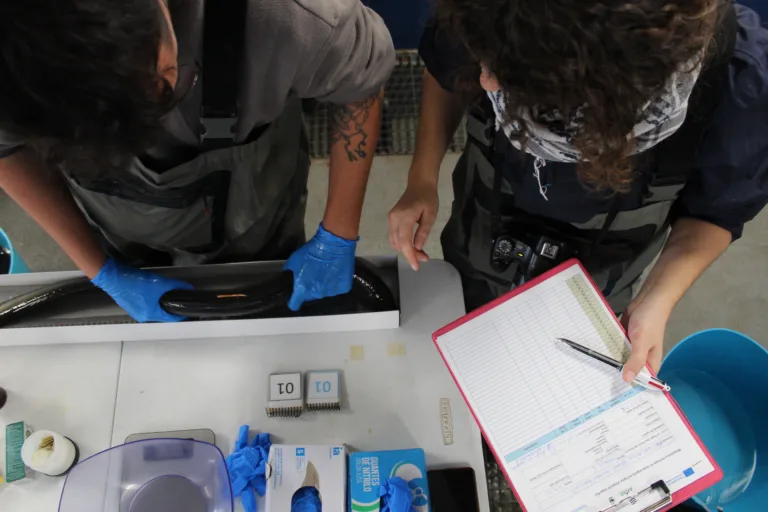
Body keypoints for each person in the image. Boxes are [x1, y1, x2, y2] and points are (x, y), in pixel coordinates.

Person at [388, 0, 768, 380]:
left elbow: (715, 212)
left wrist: (658, 297)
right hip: (480, 228)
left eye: (516, 75)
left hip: (602, 278)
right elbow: (445, 76)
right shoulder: (494, 11)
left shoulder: (737, 79)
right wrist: (421, 179)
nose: (485, 81)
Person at [0, 0, 394, 321]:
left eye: (166, 85)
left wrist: (337, 235)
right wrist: (101, 269)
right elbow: (6, 152)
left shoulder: (291, 16)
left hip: (253, 212)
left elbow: (358, 88)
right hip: (110, 214)